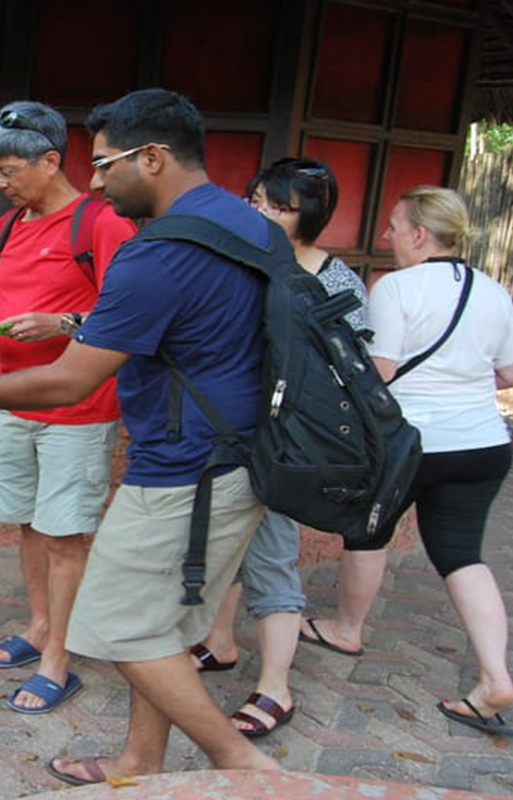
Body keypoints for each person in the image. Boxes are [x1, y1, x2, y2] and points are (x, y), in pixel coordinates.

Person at [0, 88, 279, 781]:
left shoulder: (151, 252)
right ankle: (141, 757)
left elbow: (68, 380)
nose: (99, 180)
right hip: (237, 451)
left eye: (106, 164)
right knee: (158, 624)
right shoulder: (247, 222)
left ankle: (242, 764)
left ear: (155, 157)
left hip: (185, 465)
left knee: (115, 623)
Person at [0, 101, 136, 714]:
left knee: (65, 532)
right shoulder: (8, 228)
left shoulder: (101, 223)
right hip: (13, 400)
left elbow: (133, 312)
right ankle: (40, 624)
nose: (2, 183)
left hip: (77, 405)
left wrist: (64, 321)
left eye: (10, 170)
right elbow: (3, 304)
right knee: (27, 520)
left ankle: (60, 659)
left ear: (52, 160)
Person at [299, 186, 513, 735]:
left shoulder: (395, 287)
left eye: (394, 226)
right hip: (484, 443)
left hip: (410, 443)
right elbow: (509, 375)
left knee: (369, 532)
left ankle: (347, 627)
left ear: (421, 234)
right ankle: (495, 676)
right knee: (462, 553)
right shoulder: (493, 291)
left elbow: (382, 372)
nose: (386, 235)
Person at [192, 158, 369, 738]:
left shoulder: (336, 281)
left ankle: (276, 688)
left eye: (276, 204)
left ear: (308, 215)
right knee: (222, 549)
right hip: (227, 431)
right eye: (255, 199)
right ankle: (220, 643)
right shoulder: (240, 261)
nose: (259, 212)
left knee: (270, 557)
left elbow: (353, 371)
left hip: (285, 443)